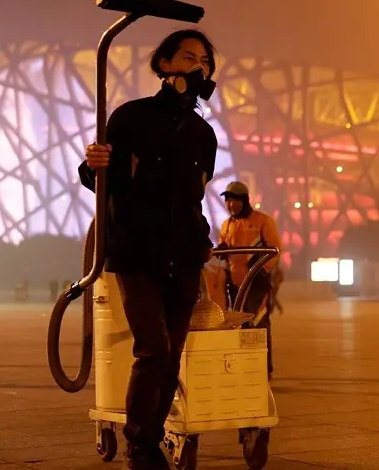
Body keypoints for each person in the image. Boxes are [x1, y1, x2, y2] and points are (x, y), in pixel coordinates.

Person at [78, 29, 218, 470]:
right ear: (164, 65)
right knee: (153, 349)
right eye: (188, 57)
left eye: (205, 62)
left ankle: (150, 441)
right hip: (136, 253)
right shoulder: (130, 118)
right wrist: (91, 165)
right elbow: (103, 180)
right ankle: (140, 446)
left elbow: (196, 194)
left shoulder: (203, 133)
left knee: (172, 356)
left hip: (185, 256)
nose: (197, 68)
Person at [206, 181, 282, 377]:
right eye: (228, 201)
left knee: (258, 322)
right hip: (235, 282)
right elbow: (223, 249)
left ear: (244, 200)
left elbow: (275, 250)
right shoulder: (227, 224)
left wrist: (262, 269)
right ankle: (247, 365)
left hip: (256, 281)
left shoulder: (262, 221)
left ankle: (264, 367)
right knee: (240, 323)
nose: (230, 205)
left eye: (234, 201)